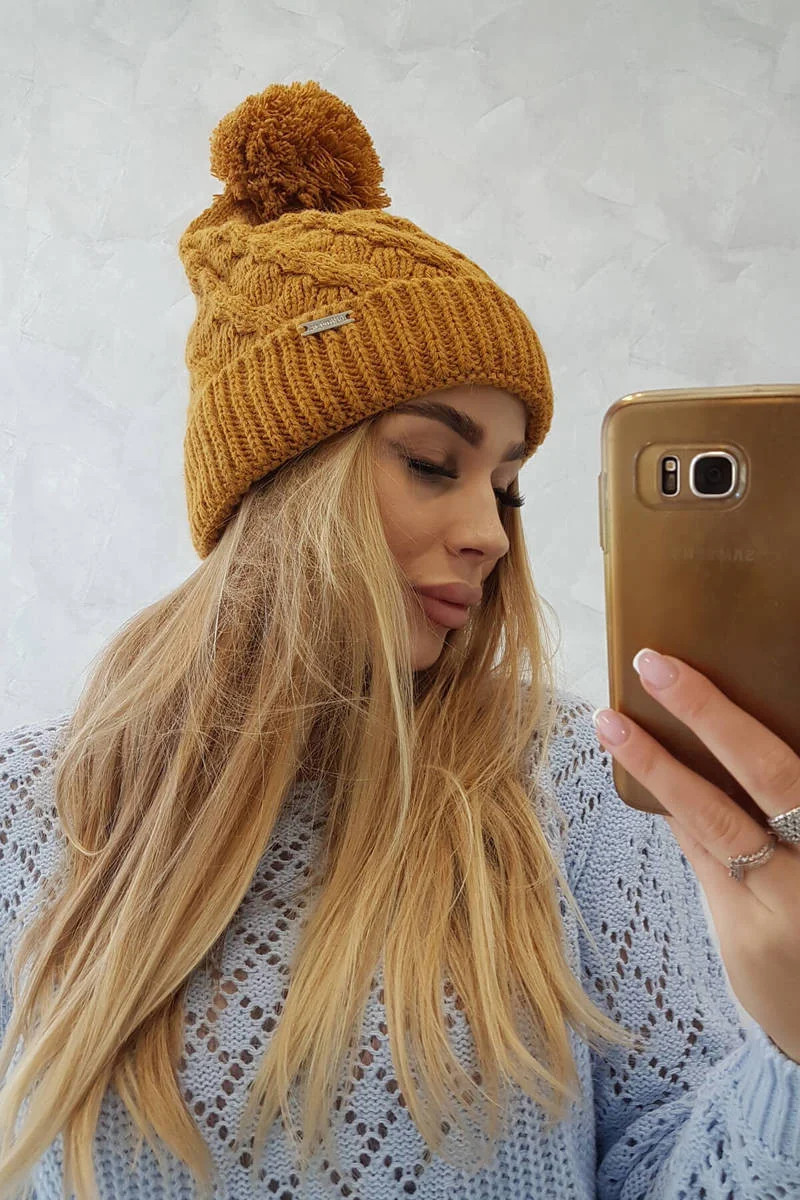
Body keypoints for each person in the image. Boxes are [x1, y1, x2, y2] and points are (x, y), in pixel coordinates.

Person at [0, 80, 797, 1200]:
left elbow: (673, 1165)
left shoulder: (571, 791)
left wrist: (793, 1055)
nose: (490, 535)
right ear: (279, 482)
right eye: (432, 461)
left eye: (507, 489)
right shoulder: (30, 814)